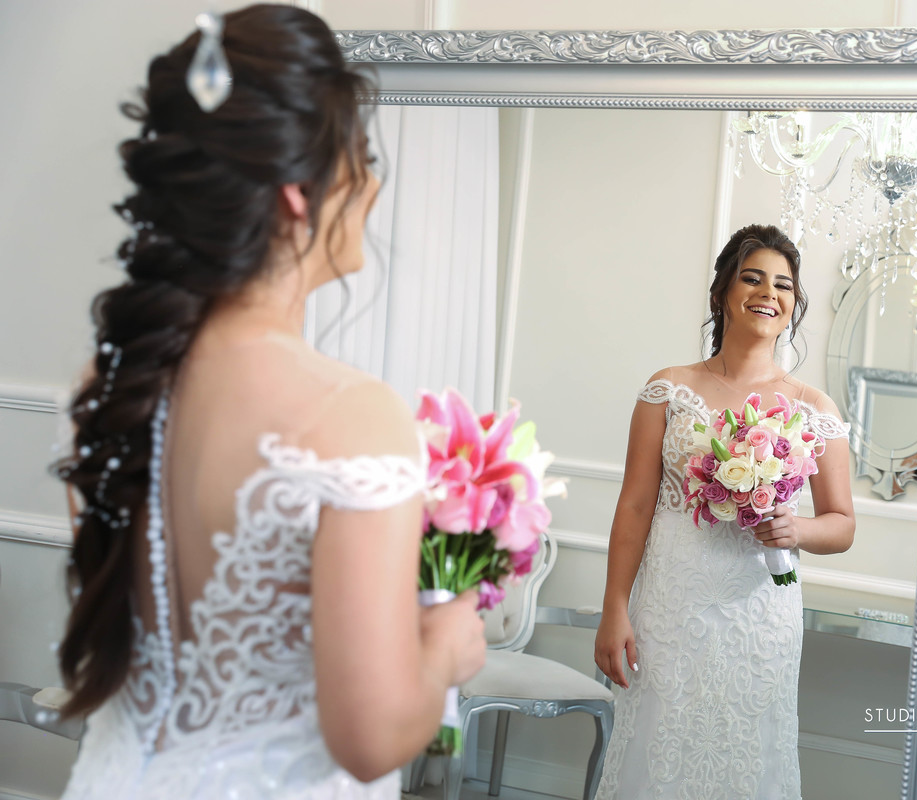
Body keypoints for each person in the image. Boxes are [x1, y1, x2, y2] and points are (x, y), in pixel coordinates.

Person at [50, 6, 486, 797]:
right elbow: (371, 739)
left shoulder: (106, 386)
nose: (373, 185)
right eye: (361, 158)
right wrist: (445, 650)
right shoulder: (351, 416)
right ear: (296, 192)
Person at [593, 223, 856, 799]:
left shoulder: (814, 407)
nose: (768, 293)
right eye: (752, 278)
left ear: (793, 305)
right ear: (722, 293)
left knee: (748, 760)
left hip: (759, 612)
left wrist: (796, 528)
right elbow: (634, 506)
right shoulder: (668, 389)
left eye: (783, 285)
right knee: (655, 752)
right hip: (669, 607)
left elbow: (842, 525)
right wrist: (614, 607)